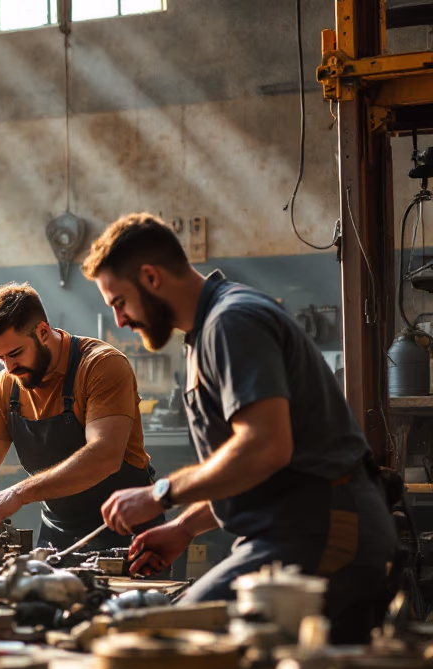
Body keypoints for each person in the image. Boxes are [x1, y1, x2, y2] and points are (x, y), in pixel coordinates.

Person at [87, 213, 394, 643]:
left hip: (322, 527)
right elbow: (254, 472)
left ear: (151, 277)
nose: (120, 321)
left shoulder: (232, 321)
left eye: (119, 302)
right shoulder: (207, 331)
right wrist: (184, 528)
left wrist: (159, 495)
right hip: (297, 525)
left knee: (185, 641)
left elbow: (265, 448)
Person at [0, 283, 162, 549]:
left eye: (15, 354)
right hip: (57, 533)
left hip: (128, 529)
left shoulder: (100, 365)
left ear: (43, 332)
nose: (9, 368)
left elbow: (105, 455)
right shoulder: (4, 385)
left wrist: (18, 493)